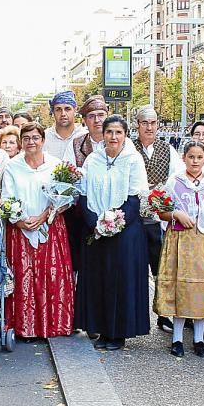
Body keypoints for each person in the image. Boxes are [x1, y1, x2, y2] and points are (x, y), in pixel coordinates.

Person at [153, 140, 204, 358]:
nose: (195, 161)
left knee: (203, 289)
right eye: (191, 157)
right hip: (181, 240)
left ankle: (199, 338)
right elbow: (161, 211)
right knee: (182, 287)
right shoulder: (175, 182)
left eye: (199, 157)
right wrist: (175, 214)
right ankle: (177, 338)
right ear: (184, 158)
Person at [75, 115, 149, 350]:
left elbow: (134, 197)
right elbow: (83, 194)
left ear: (125, 135)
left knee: (119, 281)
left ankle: (118, 333)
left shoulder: (133, 160)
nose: (113, 137)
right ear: (103, 135)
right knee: (98, 279)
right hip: (95, 229)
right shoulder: (93, 160)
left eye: (118, 132)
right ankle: (99, 327)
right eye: (109, 132)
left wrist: (116, 223)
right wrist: (93, 223)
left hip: (124, 231)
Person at [1, 122, 75, 341]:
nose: (31, 142)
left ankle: (54, 324)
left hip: (50, 227)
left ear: (43, 140)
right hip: (20, 229)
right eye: (26, 138)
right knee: (24, 275)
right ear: (21, 142)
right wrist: (19, 221)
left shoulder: (56, 165)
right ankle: (24, 325)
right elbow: (7, 196)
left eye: (35, 138)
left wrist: (43, 216)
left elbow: (66, 198)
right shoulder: (13, 166)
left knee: (50, 274)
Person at [134, 106, 181, 332]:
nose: (149, 127)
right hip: (133, 217)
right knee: (133, 268)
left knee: (160, 268)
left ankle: (164, 315)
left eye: (153, 123)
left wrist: (161, 196)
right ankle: (134, 314)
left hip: (157, 219)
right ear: (138, 125)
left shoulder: (168, 149)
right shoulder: (128, 148)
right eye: (145, 123)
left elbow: (176, 178)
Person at [43, 90, 86, 164]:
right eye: (58, 109)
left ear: (75, 111)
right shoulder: (44, 137)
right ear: (53, 112)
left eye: (67, 109)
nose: (63, 113)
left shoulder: (84, 136)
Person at [73, 95, 107, 168]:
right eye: (91, 116)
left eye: (101, 115)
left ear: (107, 117)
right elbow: (67, 173)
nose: (97, 120)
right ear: (85, 120)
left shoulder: (122, 142)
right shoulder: (76, 144)